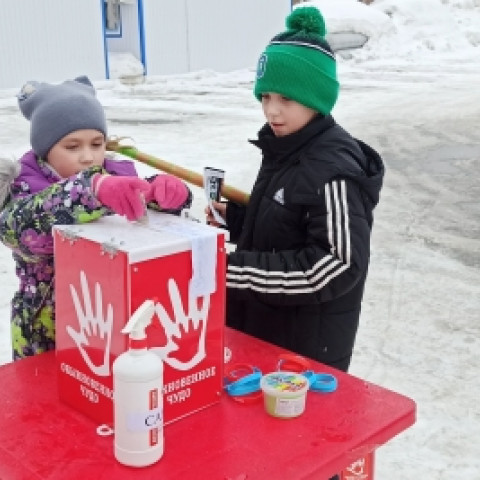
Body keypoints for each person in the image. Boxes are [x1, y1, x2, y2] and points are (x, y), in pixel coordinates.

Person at [206, 6, 385, 374]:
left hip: (303, 357)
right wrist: (240, 220)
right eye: (265, 97)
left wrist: (227, 271)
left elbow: (334, 266)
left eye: (285, 99)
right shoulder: (285, 147)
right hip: (267, 335)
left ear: (315, 98)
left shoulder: (333, 169)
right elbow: (291, 223)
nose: (272, 111)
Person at [0, 75, 191, 360]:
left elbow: (143, 221)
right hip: (47, 337)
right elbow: (22, 229)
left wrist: (167, 195)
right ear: (45, 150)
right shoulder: (25, 189)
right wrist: (92, 191)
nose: (88, 157)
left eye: (97, 143)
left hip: (110, 327)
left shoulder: (116, 176)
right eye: (72, 146)